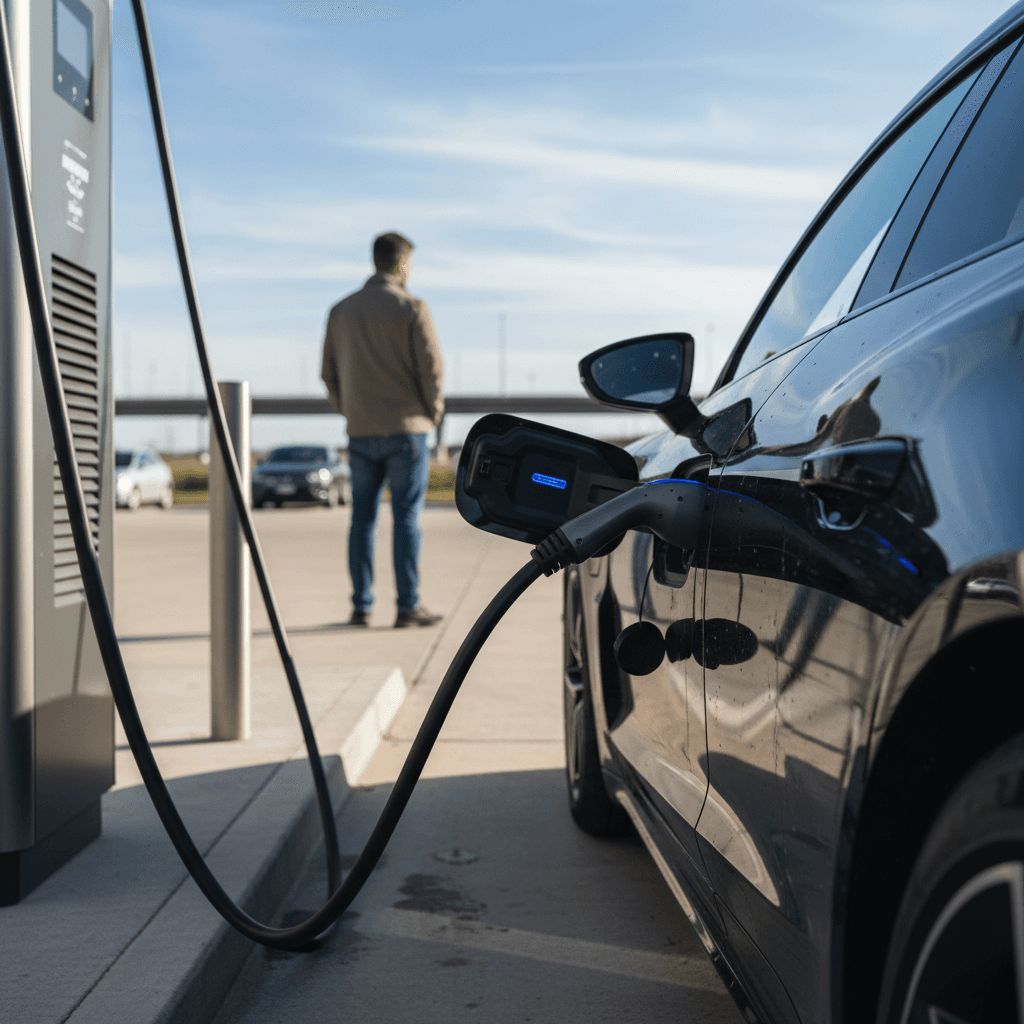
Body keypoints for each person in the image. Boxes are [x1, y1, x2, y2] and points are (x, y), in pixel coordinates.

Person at [320, 232, 444, 628]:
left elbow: (328, 373)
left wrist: (351, 412)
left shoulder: (341, 311)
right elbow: (431, 369)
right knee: (406, 519)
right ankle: (407, 606)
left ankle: (361, 606)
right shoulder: (413, 307)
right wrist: (432, 414)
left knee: (362, 520)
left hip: (360, 431)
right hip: (407, 430)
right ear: (402, 263)